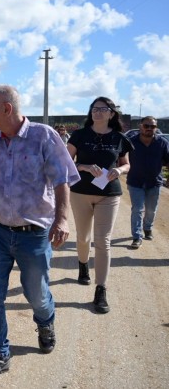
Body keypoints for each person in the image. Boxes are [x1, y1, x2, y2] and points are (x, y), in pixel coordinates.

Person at [0, 85, 79, 384]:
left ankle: (45, 322)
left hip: (34, 234)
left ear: (7, 109)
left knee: (36, 294)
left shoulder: (44, 136)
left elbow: (62, 180)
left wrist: (62, 219)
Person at [67, 97, 132, 314]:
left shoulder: (119, 138)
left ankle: (101, 289)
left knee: (103, 241)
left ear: (112, 114)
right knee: (84, 237)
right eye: (95, 108)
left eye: (103, 109)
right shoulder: (79, 135)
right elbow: (67, 163)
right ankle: (83, 264)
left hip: (109, 194)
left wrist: (120, 171)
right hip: (81, 193)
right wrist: (84, 166)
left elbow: (126, 163)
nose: (97, 112)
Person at [126, 116, 169, 249]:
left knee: (151, 210)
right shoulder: (131, 142)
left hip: (154, 182)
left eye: (153, 126)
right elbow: (121, 159)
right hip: (135, 182)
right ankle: (137, 237)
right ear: (140, 126)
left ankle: (148, 228)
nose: (149, 129)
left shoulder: (162, 142)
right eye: (146, 126)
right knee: (137, 209)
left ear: (156, 128)